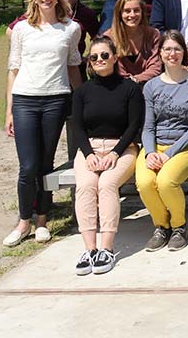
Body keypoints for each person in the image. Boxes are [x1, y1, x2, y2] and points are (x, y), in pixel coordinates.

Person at [4, 0, 83, 247]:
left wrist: (83, 99)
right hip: (25, 99)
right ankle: (23, 221)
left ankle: (41, 220)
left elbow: (73, 66)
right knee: (27, 166)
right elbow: (13, 69)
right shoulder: (22, 29)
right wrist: (9, 111)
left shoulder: (71, 29)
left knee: (46, 165)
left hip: (55, 100)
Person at [70, 36, 143, 275]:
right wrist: (89, 154)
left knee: (107, 184)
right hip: (89, 148)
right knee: (86, 185)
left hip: (122, 147)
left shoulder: (130, 89)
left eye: (104, 55)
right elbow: (78, 128)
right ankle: (90, 249)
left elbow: (134, 125)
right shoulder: (82, 92)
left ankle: (107, 248)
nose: (99, 60)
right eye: (94, 57)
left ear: (114, 57)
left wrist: (115, 152)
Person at [135, 30, 188, 252]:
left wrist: (169, 154)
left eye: (177, 49)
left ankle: (179, 227)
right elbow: (148, 126)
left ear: (184, 53)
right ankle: (161, 226)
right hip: (155, 146)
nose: (172, 53)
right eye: (167, 49)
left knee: (166, 181)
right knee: (145, 183)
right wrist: (150, 153)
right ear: (160, 53)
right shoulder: (151, 86)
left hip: (187, 146)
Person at [7, 0, 99, 59]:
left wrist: (88, 59)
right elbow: (10, 31)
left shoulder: (87, 14)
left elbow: (99, 41)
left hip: (75, 69)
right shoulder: (47, 7)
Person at [104, 0, 162, 84]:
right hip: (119, 86)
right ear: (119, 13)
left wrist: (136, 79)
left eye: (136, 10)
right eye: (127, 11)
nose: (132, 15)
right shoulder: (108, 38)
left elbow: (155, 67)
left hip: (149, 84)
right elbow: (116, 70)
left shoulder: (153, 34)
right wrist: (131, 83)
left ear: (142, 12)